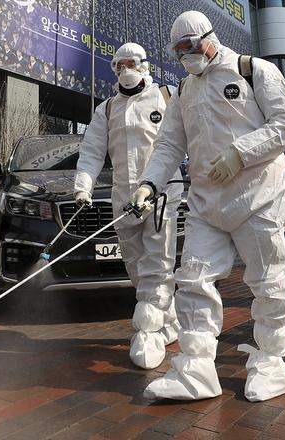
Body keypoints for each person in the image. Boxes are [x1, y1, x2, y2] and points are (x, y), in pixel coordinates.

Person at [129, 10, 285, 402]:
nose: (185, 56)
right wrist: (148, 184)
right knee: (192, 280)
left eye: (189, 46)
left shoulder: (251, 70)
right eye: (177, 52)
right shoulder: (184, 91)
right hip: (207, 202)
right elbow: (170, 144)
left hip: (259, 195)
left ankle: (272, 362)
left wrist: (241, 153)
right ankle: (195, 368)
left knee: (269, 281)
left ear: (208, 38)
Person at [74, 42, 181, 370]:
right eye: (118, 66)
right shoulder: (107, 109)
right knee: (136, 266)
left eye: (130, 63)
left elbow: (188, 138)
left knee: (157, 262)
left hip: (162, 194)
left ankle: (148, 331)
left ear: (145, 64)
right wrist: (82, 187)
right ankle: (170, 320)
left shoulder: (168, 97)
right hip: (123, 200)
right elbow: (92, 151)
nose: (124, 70)